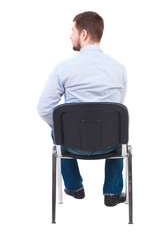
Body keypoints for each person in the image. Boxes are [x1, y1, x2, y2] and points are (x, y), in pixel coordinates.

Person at [37, 11, 127, 206]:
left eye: (73, 31)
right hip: (110, 144)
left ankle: (74, 188)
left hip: (71, 144)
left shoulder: (63, 68)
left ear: (83, 34)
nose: (70, 35)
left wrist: (62, 128)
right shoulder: (119, 68)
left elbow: (43, 108)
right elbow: (116, 108)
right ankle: (112, 193)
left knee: (57, 131)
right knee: (119, 132)